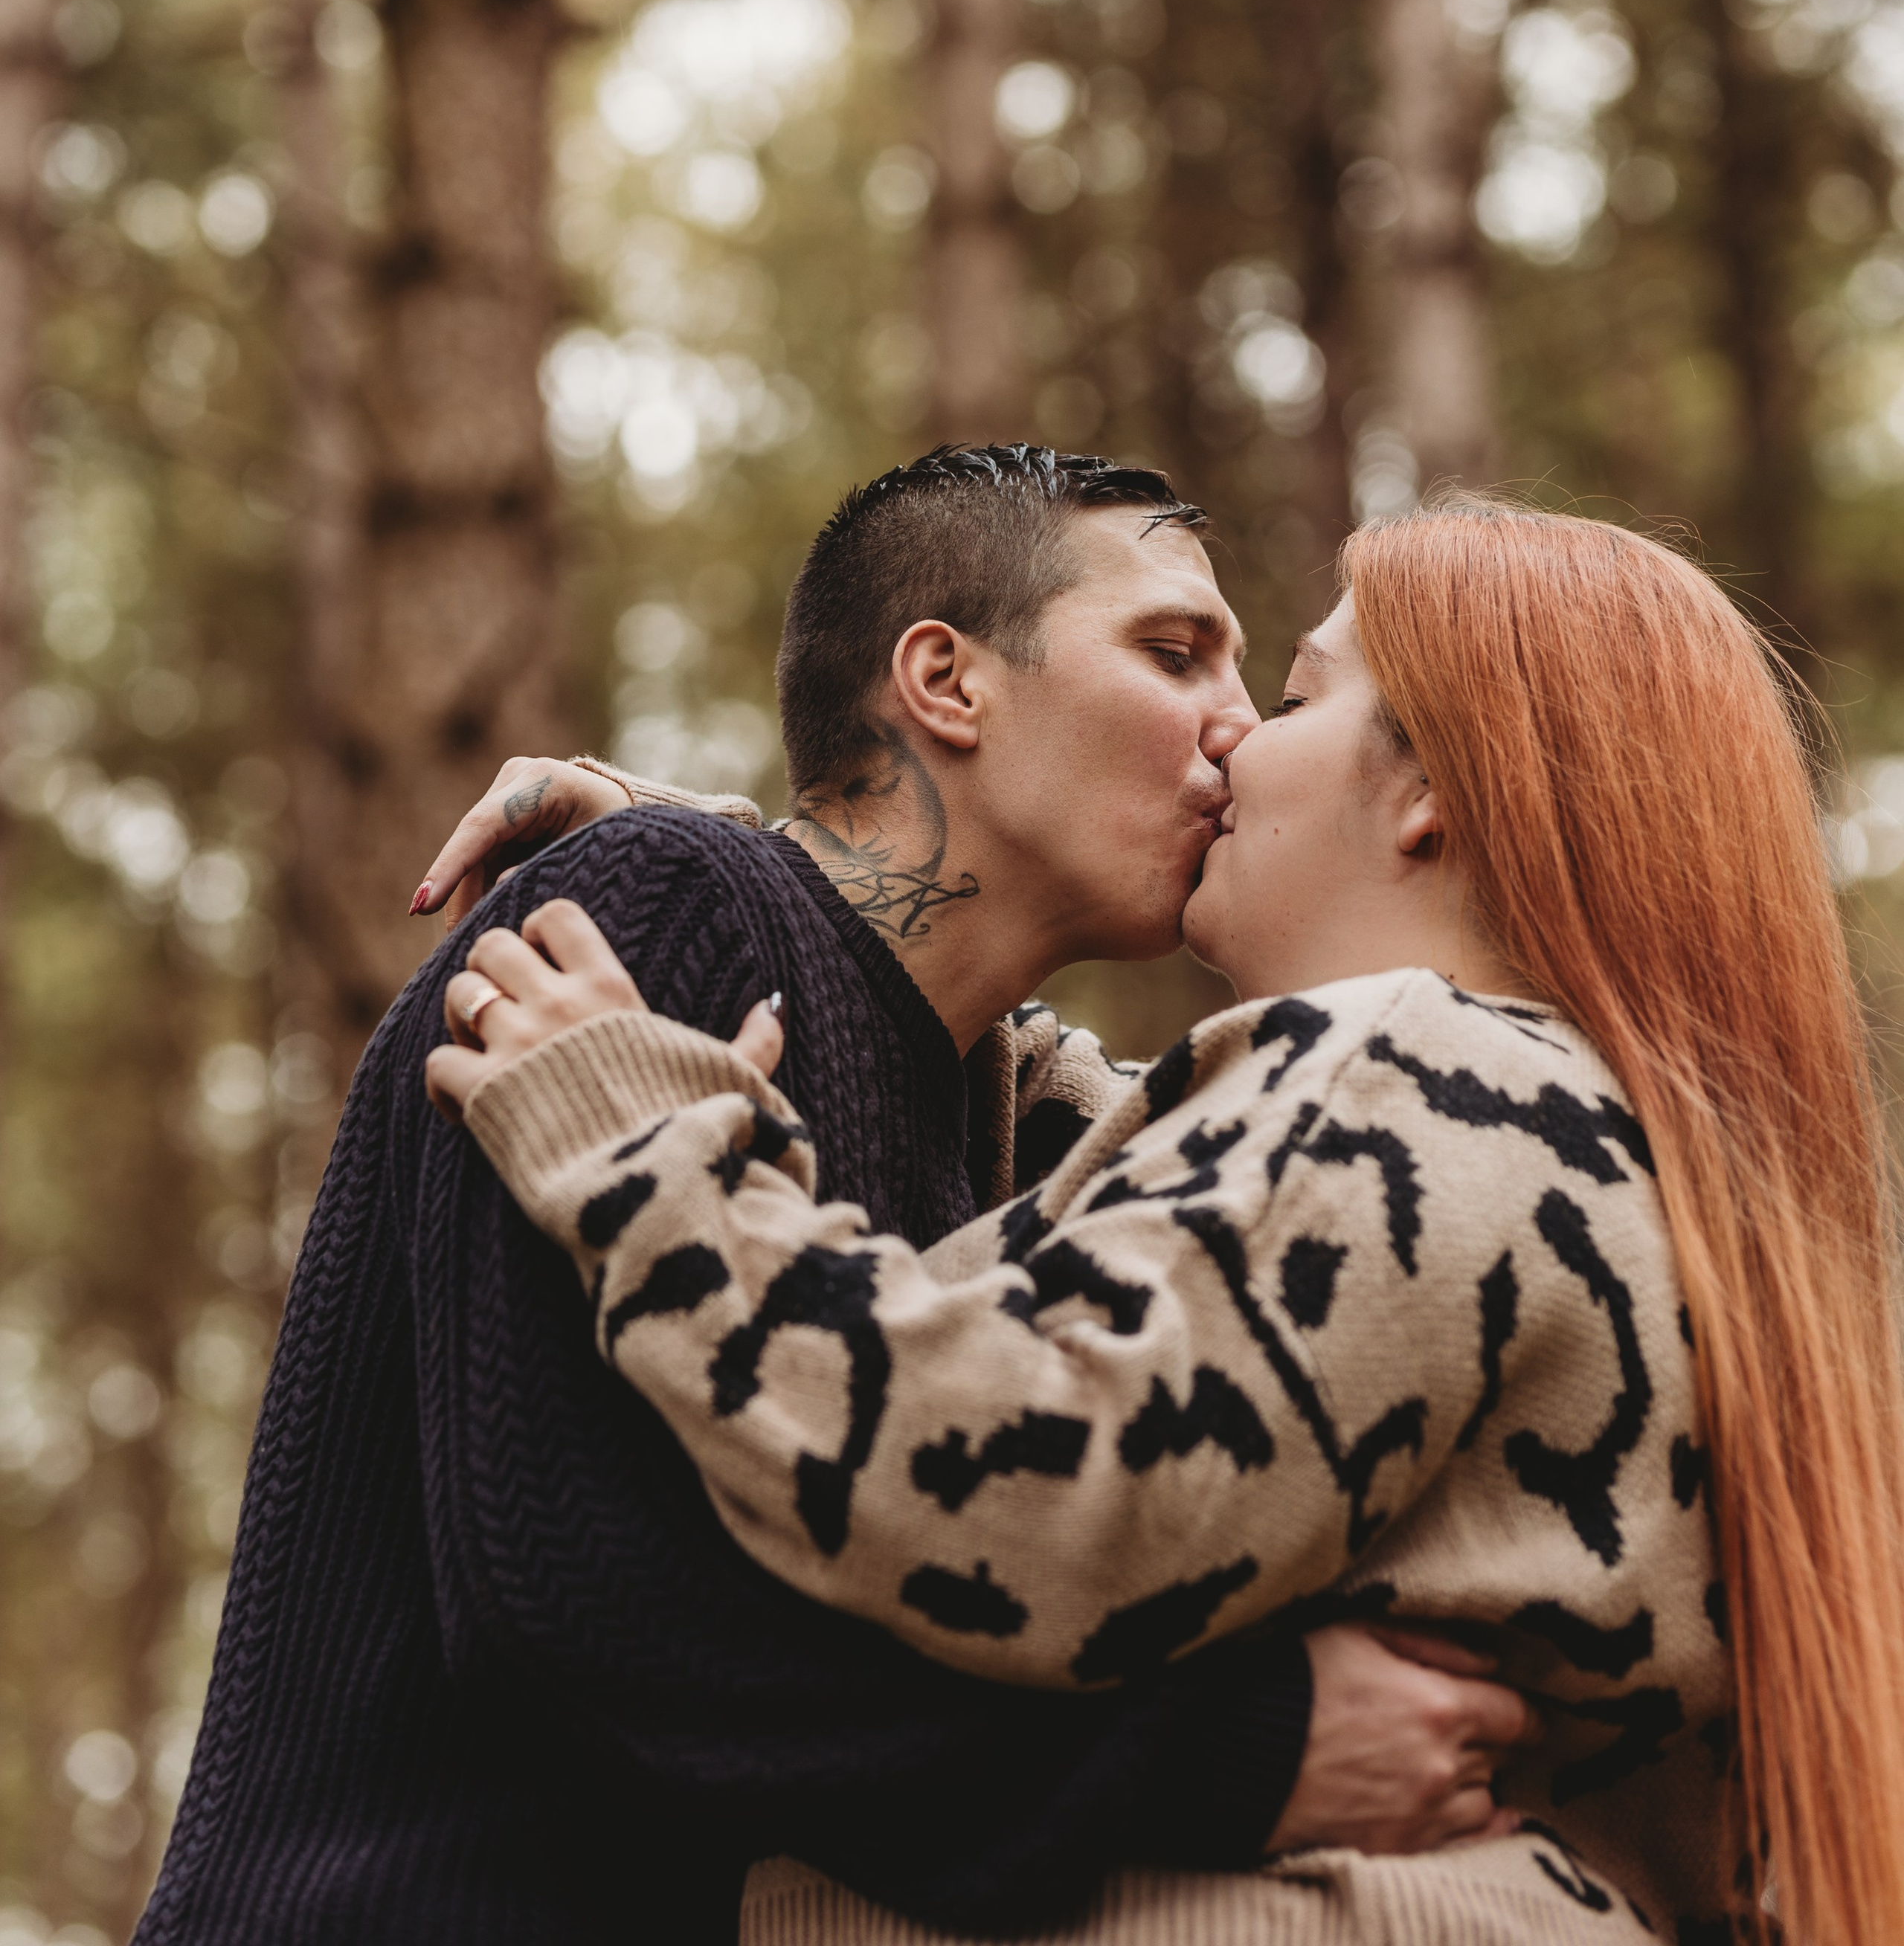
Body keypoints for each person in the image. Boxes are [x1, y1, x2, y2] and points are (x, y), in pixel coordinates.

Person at [432, 501, 1904, 1946]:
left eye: (1293, 695)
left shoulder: (1416, 1072)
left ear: (1427, 790)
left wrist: (641, 1155)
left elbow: (1019, 1482)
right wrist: (767, 876)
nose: (1231, 739)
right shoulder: (1582, 1139)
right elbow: (1085, 1158)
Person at [138, 450, 1527, 1946]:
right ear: (943, 679)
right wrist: (1237, 1756)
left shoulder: (994, 1107)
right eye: (1173, 651)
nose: (1236, 731)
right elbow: (582, 1605)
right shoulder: (662, 913)